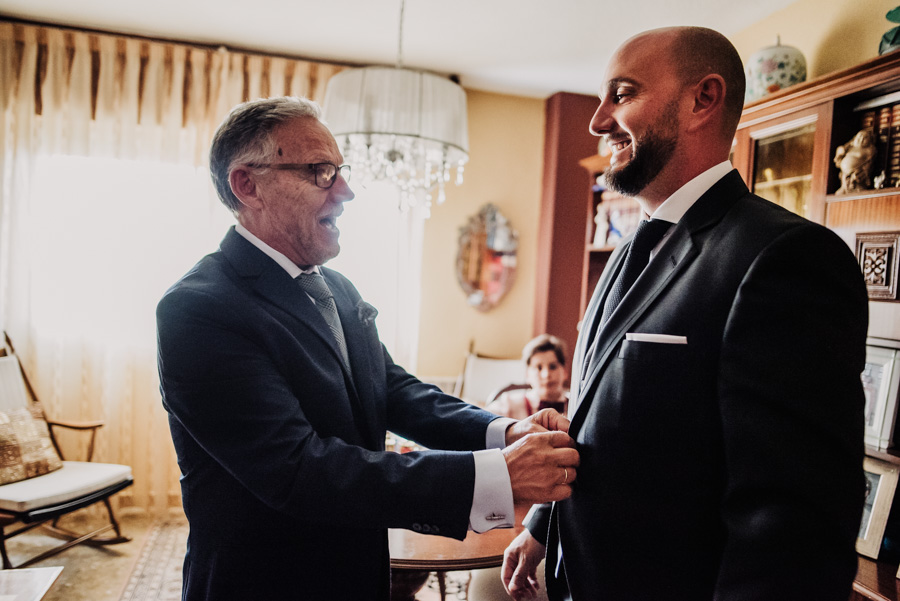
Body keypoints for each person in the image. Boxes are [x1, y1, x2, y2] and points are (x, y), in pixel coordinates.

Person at [156, 97, 580, 601]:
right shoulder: (198, 310)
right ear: (247, 185)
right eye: (321, 172)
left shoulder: (338, 287)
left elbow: (395, 391)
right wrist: (495, 475)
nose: (347, 191)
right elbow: (300, 470)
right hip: (266, 581)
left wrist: (503, 431)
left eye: (341, 171)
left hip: (358, 572)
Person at [502, 26, 868, 601]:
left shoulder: (786, 257)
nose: (598, 121)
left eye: (621, 95)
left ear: (703, 99)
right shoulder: (626, 252)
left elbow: (795, 525)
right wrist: (543, 528)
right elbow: (600, 418)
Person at [490, 334, 570, 419]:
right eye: (539, 368)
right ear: (527, 374)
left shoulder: (577, 404)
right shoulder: (509, 404)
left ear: (565, 371)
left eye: (553, 367)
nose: (546, 375)